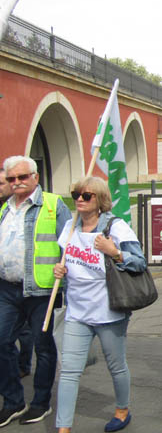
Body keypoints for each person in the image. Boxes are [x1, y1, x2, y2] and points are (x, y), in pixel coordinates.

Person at [52, 177, 146, 433]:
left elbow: (139, 262)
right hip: (76, 312)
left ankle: (122, 410)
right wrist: (60, 270)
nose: (80, 200)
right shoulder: (70, 227)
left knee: (116, 366)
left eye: (87, 195)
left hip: (109, 311)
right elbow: (66, 262)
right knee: (69, 371)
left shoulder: (116, 227)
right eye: (76, 195)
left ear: (101, 199)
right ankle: (63, 427)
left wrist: (114, 251)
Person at [0, 156, 71, 427]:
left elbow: (69, 244)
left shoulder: (53, 204)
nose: (17, 182)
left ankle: (41, 402)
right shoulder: (5, 208)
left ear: (36, 177)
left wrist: (67, 278)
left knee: (43, 347)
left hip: (42, 291)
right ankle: (13, 401)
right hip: (7, 288)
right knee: (2, 342)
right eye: (11, 178)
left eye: (22, 177)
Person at [0, 169, 33, 380]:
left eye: (1, 183)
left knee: (24, 330)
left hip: (26, 282)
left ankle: (23, 364)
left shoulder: (22, 208)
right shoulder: (5, 209)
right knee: (5, 335)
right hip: (4, 280)